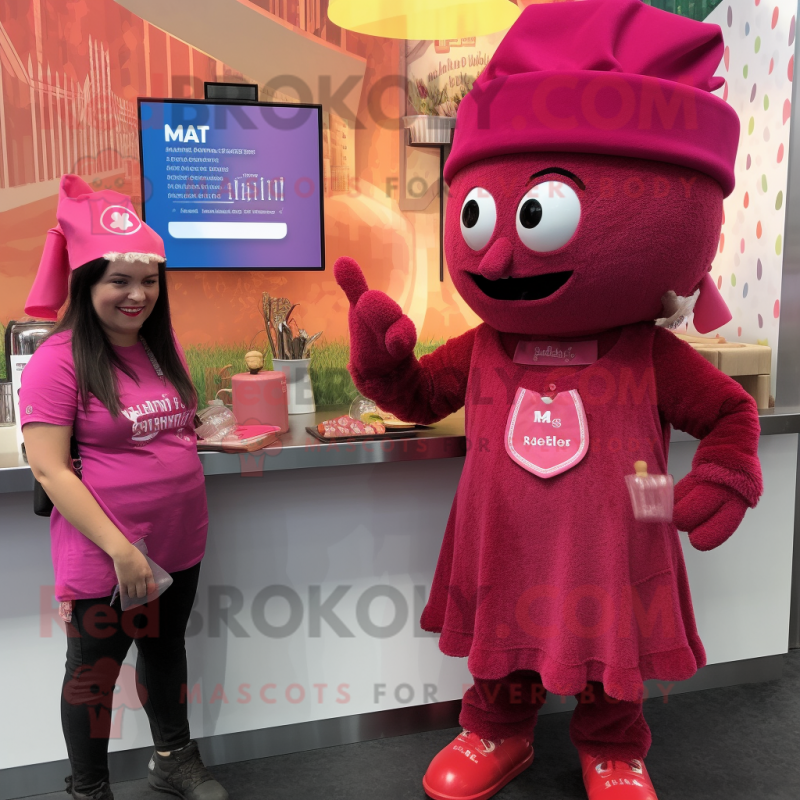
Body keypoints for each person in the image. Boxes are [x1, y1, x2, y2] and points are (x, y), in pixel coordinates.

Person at [19, 175, 228, 800]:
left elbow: (170, 427)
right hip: (108, 553)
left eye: (149, 280)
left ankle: (173, 761)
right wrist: (122, 550)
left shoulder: (162, 349)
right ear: (87, 283)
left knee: (166, 653)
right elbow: (50, 468)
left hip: (178, 539)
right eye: (120, 280)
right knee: (94, 676)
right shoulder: (59, 360)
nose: (138, 295)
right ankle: (89, 790)